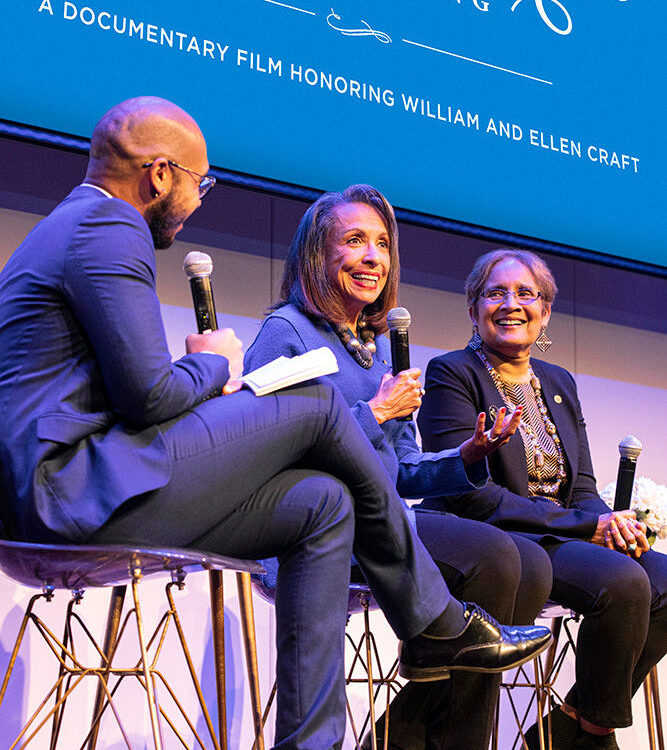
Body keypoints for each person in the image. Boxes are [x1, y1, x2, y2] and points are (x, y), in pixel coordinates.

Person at [0, 101, 550, 750]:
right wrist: (211, 363)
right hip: (66, 495)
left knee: (322, 503)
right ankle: (435, 624)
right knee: (314, 402)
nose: (197, 200)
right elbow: (149, 398)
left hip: (76, 486)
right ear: (158, 174)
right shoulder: (109, 227)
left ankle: (316, 740)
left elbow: (128, 397)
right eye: (199, 183)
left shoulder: (73, 225)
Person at [244, 185, 553, 750]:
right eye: (355, 241)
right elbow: (266, 447)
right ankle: (438, 692)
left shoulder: (376, 348)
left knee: (528, 561)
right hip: (318, 529)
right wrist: (377, 411)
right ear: (317, 253)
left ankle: (429, 702)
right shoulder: (286, 332)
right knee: (494, 556)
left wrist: (468, 456)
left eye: (383, 244)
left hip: (384, 521)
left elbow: (403, 468)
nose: (373, 258)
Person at [417, 248, 667, 750]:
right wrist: (586, 527)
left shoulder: (557, 381)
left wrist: (611, 524)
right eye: (495, 293)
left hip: (562, 533)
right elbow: (468, 495)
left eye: (526, 294)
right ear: (473, 309)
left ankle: (577, 724)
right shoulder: (452, 373)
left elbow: (582, 487)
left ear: (545, 311)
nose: (511, 304)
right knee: (623, 582)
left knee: (663, 577)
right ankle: (593, 740)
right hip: (501, 538)